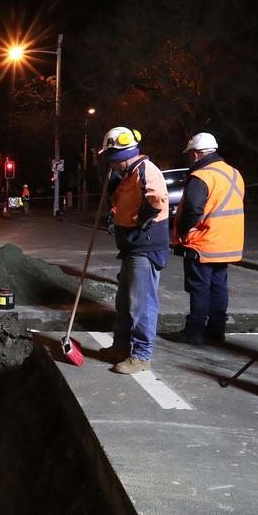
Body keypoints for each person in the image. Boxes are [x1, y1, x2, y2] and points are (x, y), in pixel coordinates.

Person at [99, 127, 170, 374]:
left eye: (110, 158)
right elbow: (120, 203)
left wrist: (142, 220)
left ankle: (141, 356)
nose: (110, 164)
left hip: (145, 247)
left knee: (141, 304)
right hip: (131, 247)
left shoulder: (145, 170)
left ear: (120, 155)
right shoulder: (127, 176)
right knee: (125, 302)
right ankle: (121, 347)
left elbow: (158, 198)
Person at [169, 132, 245, 345]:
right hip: (228, 242)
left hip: (203, 242)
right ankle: (216, 332)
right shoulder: (234, 173)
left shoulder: (201, 176)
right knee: (219, 287)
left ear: (196, 154)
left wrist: (183, 232)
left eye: (190, 154)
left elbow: (193, 209)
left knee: (199, 288)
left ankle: (193, 332)